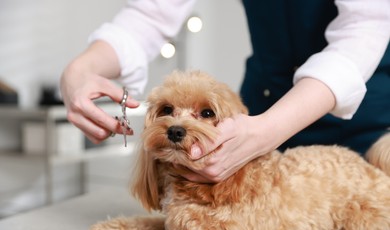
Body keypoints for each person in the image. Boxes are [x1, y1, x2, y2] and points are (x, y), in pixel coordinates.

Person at [60, 0, 390, 183]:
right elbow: (151, 13)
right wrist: (80, 71)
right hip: (262, 102)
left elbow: (366, 25)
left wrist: (269, 130)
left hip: (362, 126)